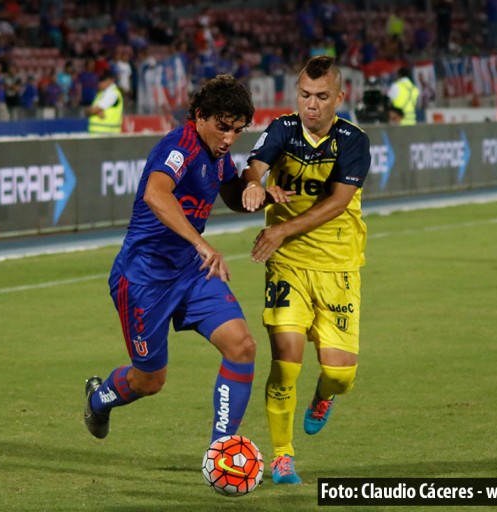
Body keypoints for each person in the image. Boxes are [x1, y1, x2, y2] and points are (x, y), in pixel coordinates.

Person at [84, 75, 274, 447]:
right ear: (200, 116)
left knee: (242, 346)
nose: (229, 139)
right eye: (222, 128)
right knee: (150, 380)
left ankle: (220, 451)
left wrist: (263, 195)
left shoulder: (218, 155)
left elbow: (233, 195)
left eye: (237, 130)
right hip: (143, 279)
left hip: (190, 271)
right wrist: (202, 243)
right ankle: (98, 398)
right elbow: (156, 194)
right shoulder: (181, 145)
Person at [241, 56, 371, 485]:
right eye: (304, 95)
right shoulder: (283, 129)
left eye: (320, 97)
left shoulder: (353, 140)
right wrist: (256, 183)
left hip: (337, 265)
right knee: (286, 362)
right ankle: (282, 456)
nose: (310, 105)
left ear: (339, 96)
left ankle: (324, 396)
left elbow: (336, 203)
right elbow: (256, 163)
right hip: (288, 265)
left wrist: (282, 229)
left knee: (339, 374)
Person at [85, 69, 123, 134]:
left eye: (101, 81)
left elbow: (92, 110)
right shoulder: (101, 94)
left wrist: (94, 110)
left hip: (108, 134)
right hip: (98, 133)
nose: (98, 84)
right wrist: (96, 111)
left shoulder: (112, 93)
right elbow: (88, 111)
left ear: (108, 81)